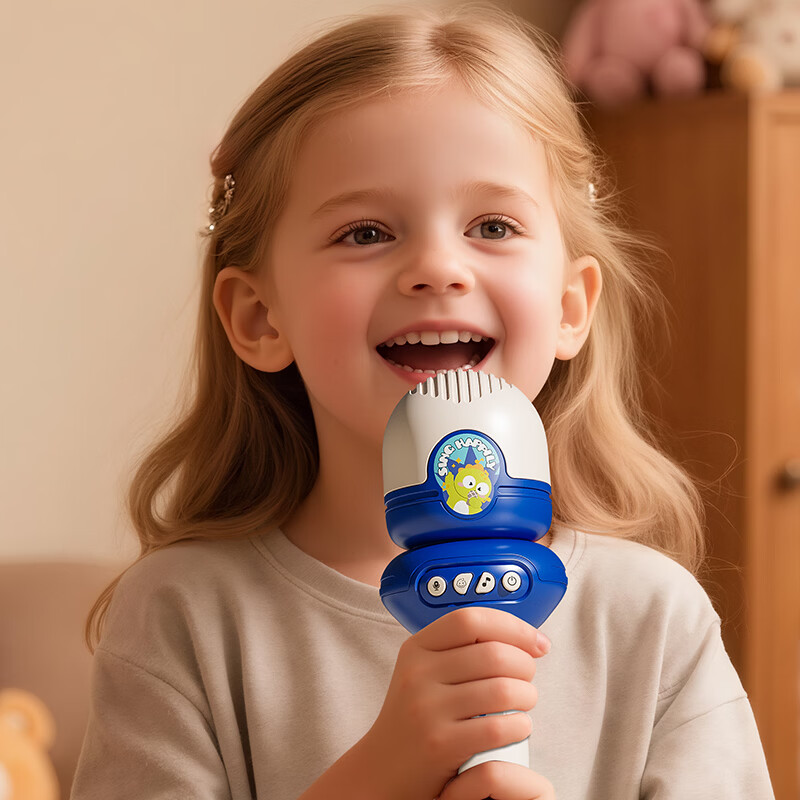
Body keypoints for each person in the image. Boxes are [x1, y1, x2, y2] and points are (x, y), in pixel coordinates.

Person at [71, 4, 775, 799]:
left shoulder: (651, 617)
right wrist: (379, 776)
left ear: (572, 306)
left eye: (494, 225)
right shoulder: (184, 617)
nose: (438, 267)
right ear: (260, 318)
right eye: (366, 233)